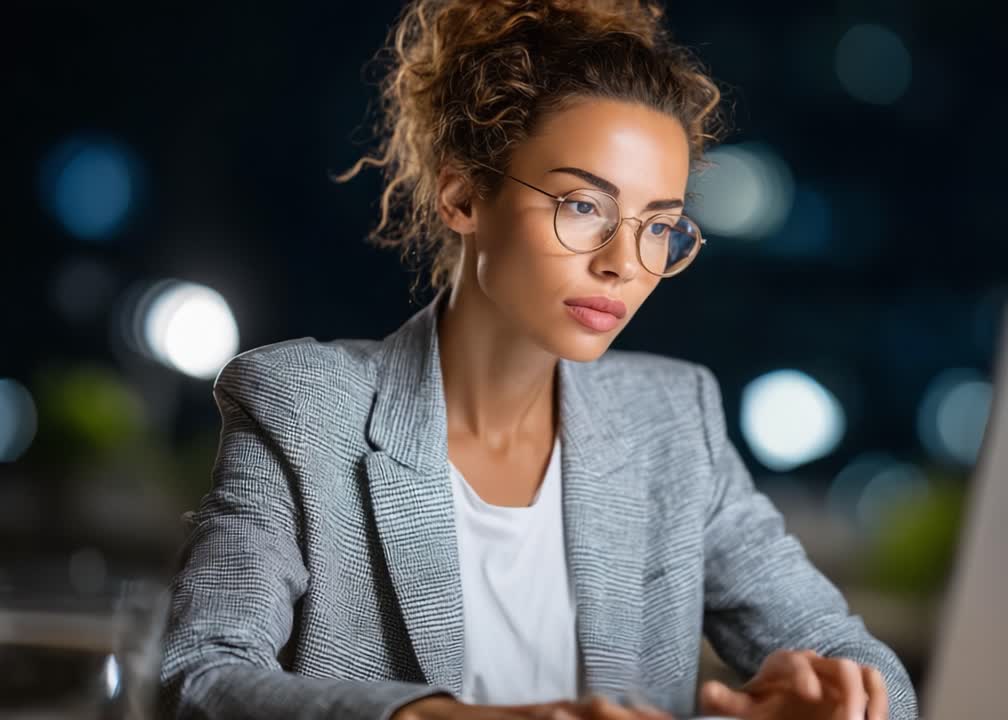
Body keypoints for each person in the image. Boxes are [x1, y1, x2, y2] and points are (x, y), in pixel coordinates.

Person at [159, 1, 920, 719]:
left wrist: (841, 700)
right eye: (583, 206)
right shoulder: (300, 407)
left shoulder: (672, 423)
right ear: (461, 197)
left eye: (660, 227)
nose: (625, 262)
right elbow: (199, 678)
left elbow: (862, 663)